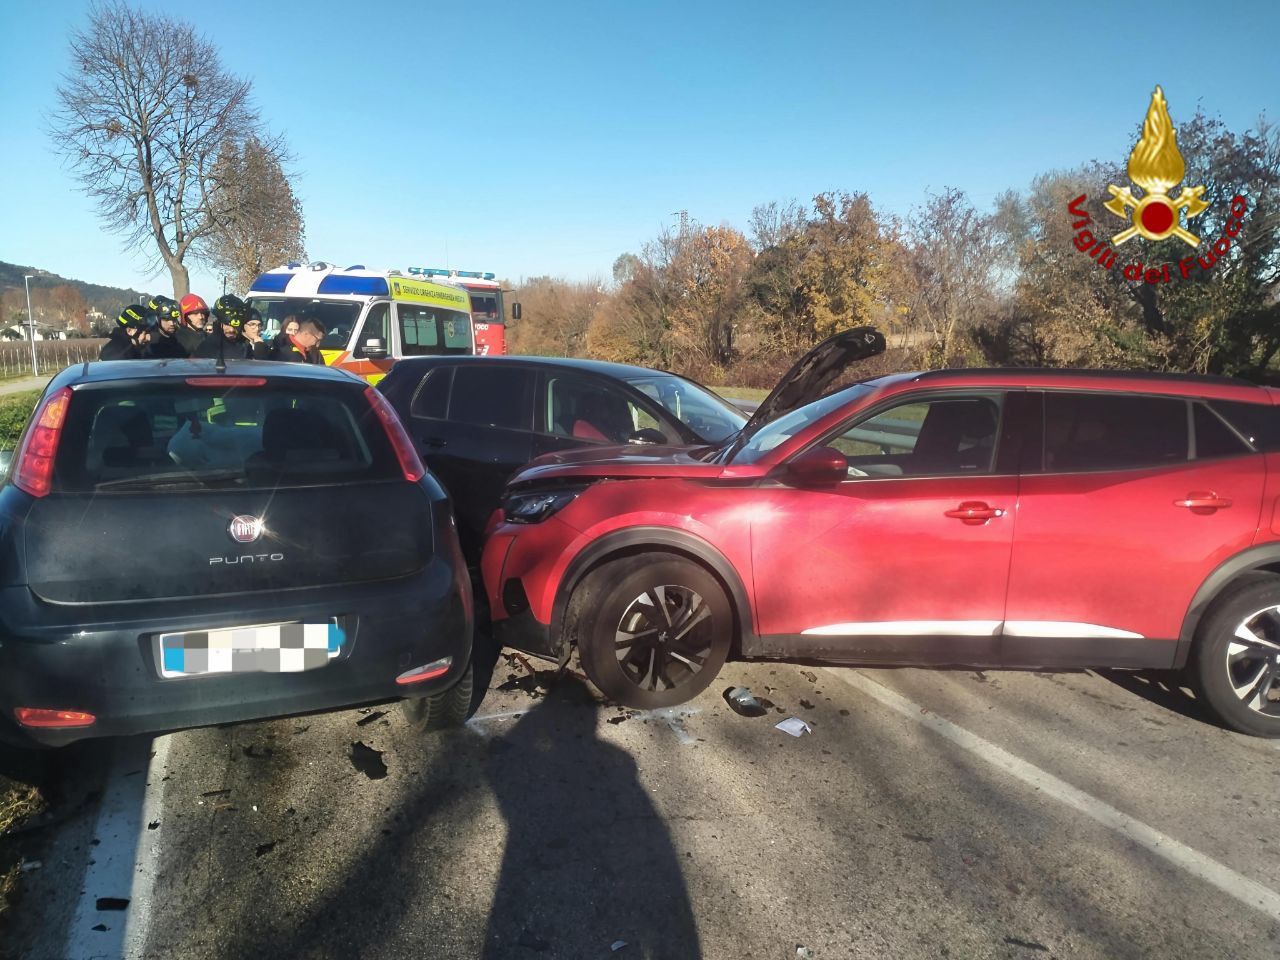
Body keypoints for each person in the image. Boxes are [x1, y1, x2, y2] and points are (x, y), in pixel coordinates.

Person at [192, 295, 254, 360]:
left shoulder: (246, 345)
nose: (231, 329)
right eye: (227, 324)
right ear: (219, 322)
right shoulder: (207, 347)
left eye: (236, 325)